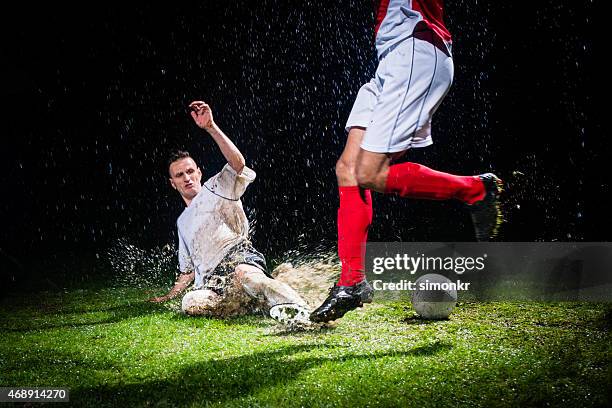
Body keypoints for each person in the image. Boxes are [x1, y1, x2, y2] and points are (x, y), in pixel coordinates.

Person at [310, 0, 503, 323]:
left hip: (417, 50)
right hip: (389, 63)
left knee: (368, 172)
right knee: (347, 169)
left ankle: (474, 190)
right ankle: (352, 282)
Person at [149, 101, 309, 321]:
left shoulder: (216, 188)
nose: (186, 178)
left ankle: (298, 308)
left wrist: (211, 127)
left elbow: (237, 164)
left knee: (248, 277)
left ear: (199, 173)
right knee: (191, 303)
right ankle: (252, 301)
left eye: (189, 172)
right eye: (179, 175)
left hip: (237, 257)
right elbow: (187, 271)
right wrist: (169, 295)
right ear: (172, 183)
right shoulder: (182, 222)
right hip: (212, 280)